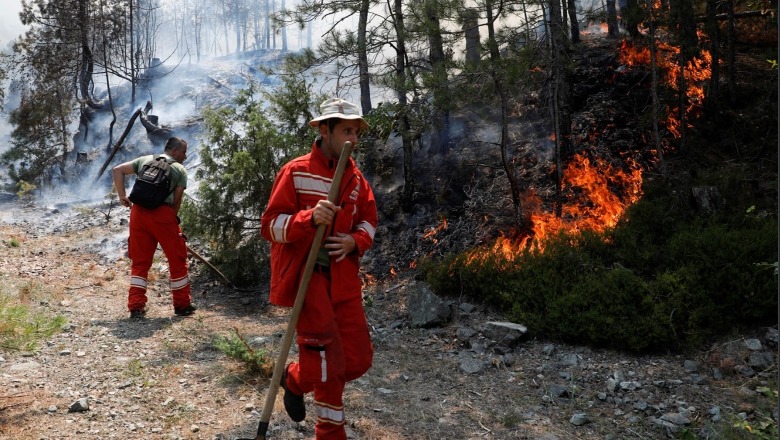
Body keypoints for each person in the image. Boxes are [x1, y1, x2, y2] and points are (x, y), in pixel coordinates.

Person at [260, 98, 377, 439]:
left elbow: (369, 220)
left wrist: (355, 240)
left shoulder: (356, 179)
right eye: (345, 130)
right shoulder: (296, 171)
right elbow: (270, 226)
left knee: (356, 360)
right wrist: (308, 218)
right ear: (324, 130)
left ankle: (294, 379)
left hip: (344, 281)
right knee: (326, 364)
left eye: (356, 131)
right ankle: (330, 433)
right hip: (308, 281)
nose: (352, 138)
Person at [112, 136, 196, 319]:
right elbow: (177, 199)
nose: (185, 156)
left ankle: (136, 307)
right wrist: (171, 220)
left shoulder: (146, 160)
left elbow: (117, 170)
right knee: (177, 259)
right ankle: (182, 305)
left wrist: (122, 197)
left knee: (140, 262)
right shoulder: (179, 169)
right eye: (183, 152)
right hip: (163, 215)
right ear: (174, 151)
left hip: (138, 214)